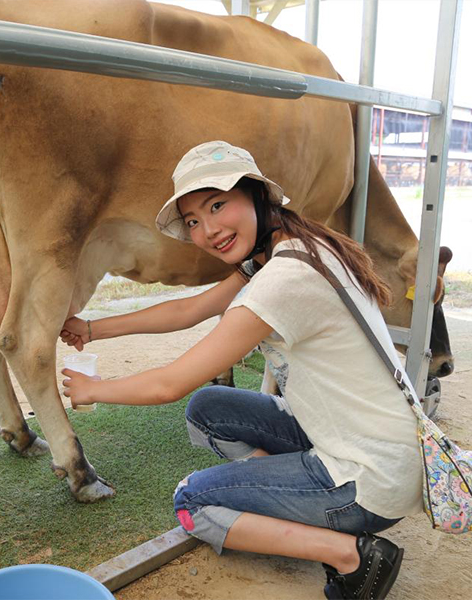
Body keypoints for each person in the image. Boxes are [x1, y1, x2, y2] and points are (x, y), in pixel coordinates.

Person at [60, 141, 423, 599]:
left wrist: (95, 390)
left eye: (218, 205)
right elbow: (187, 311)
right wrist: (93, 329)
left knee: (192, 501)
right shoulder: (293, 247)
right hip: (373, 446)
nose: (208, 230)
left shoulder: (281, 281)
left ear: (255, 196)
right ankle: (287, 494)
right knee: (209, 408)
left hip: (369, 480)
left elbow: (169, 384)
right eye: (193, 220)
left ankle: (352, 555)